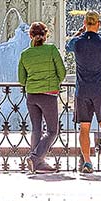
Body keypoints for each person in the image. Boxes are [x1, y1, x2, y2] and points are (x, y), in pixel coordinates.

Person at [66, 9, 101, 174]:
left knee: (84, 128)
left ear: (85, 23)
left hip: (82, 91)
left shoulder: (77, 42)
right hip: (100, 90)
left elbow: (67, 45)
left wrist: (79, 32)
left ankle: (88, 163)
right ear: (99, 24)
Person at [16, 21, 65, 173]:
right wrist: (54, 83)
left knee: (36, 129)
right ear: (46, 35)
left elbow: (21, 80)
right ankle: (35, 157)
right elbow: (62, 72)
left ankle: (37, 164)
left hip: (32, 95)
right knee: (52, 131)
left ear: (30, 36)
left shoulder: (25, 54)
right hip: (48, 95)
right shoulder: (51, 50)